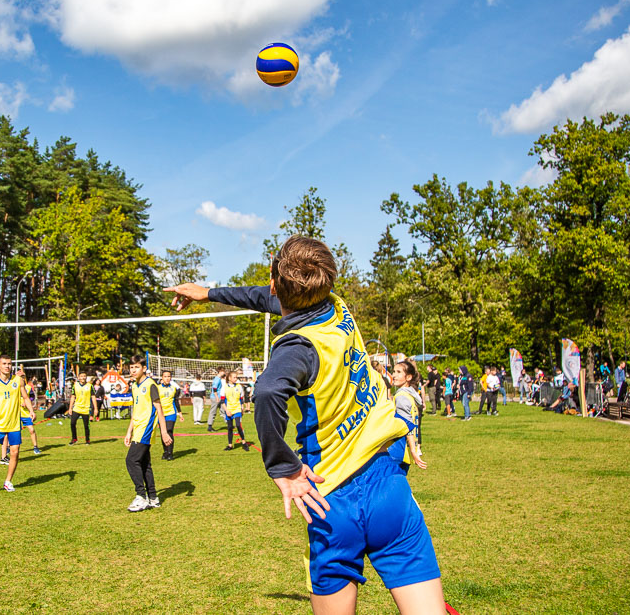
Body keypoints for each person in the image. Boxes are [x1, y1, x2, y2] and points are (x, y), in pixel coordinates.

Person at [165, 235, 444, 612]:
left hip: (330, 498)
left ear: (275, 280)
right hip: (386, 481)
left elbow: (266, 393)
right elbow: (265, 297)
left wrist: (284, 468)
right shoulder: (335, 305)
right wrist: (210, 293)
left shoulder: (298, 347)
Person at [123, 354, 173, 512]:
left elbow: (159, 409)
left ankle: (141, 496)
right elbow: (136, 410)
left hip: (146, 428)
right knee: (144, 464)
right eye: (131, 367)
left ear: (144, 368)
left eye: (136, 367)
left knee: (131, 460)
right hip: (137, 428)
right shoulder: (134, 385)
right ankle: (153, 497)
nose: (133, 370)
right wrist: (128, 431)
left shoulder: (150, 384)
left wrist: (164, 432)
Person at [0, 356, 35, 495]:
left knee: (14, 452)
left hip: (14, 424)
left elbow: (25, 397)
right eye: (4, 364)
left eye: (9, 364)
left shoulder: (18, 381)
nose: (7, 366)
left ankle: (8, 481)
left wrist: (31, 410)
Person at [391, 361, 428, 474]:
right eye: (393, 372)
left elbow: (407, 425)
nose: (394, 375)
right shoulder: (411, 394)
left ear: (408, 377)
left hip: (399, 449)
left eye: (398, 372)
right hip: (404, 449)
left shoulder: (401, 397)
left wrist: (413, 449)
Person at [157, 369, 183, 460]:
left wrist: (180, 413)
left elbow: (176, 401)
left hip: (171, 413)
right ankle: (165, 451)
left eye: (169, 376)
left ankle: (170, 453)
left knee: (169, 431)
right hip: (161, 414)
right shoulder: (158, 388)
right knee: (163, 433)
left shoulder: (174, 388)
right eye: (165, 376)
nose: (167, 378)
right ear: (162, 378)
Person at [221, 369, 249, 452]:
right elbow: (222, 401)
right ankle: (230, 445)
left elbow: (241, 399)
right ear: (229, 378)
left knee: (238, 425)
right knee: (230, 427)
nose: (235, 379)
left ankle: (244, 442)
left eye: (236, 377)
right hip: (229, 409)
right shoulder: (225, 387)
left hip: (237, 409)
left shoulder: (239, 386)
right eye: (234, 377)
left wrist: (242, 408)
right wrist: (226, 410)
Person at [68, 371, 98, 445]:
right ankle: (74, 438)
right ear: (78, 377)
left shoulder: (90, 386)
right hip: (77, 408)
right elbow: (73, 396)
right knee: (72, 423)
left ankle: (87, 440)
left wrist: (96, 408)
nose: (83, 378)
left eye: (84, 376)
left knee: (86, 425)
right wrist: (70, 408)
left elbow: (93, 397)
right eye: (81, 376)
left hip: (86, 408)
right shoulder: (75, 385)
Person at [19, 378, 42, 456]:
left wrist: (28, 402)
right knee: (14, 431)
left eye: (23, 376)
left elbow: (31, 396)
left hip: (26, 412)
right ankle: (9, 447)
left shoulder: (28, 387)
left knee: (31, 429)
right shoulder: (13, 386)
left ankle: (35, 447)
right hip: (16, 412)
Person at [207, 366, 226, 432]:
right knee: (213, 411)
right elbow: (214, 388)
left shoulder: (219, 379)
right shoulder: (217, 379)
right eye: (223, 371)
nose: (224, 372)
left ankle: (229, 424)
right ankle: (209, 426)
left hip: (219, 397)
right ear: (220, 371)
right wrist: (217, 397)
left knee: (223, 410)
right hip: (215, 397)